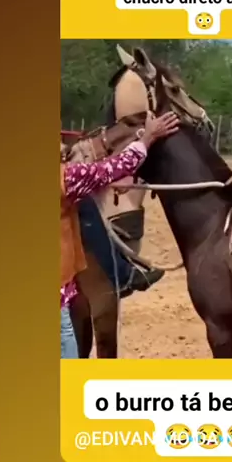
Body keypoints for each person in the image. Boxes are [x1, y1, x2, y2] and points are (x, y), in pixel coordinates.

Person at [60, 112, 179, 358]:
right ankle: (124, 273)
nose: (63, 150)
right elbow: (118, 166)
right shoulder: (66, 180)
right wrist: (147, 137)